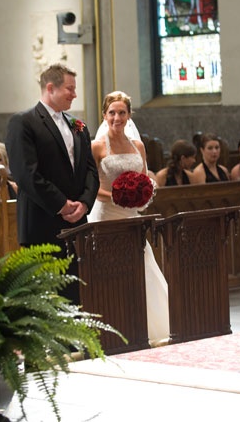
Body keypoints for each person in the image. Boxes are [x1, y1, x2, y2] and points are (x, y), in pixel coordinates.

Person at [6, 64, 99, 305]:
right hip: (42, 223)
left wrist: (84, 203)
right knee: (47, 299)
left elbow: (90, 170)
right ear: (50, 88)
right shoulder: (23, 122)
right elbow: (26, 174)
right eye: (70, 89)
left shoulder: (78, 125)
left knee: (77, 295)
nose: (74, 94)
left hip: (76, 223)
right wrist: (61, 204)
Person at [87, 91, 170, 345]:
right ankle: (111, 326)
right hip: (105, 215)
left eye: (122, 112)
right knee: (108, 270)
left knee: (139, 268)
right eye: (112, 112)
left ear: (129, 115)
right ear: (104, 115)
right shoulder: (96, 147)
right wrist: (117, 197)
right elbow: (90, 187)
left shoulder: (138, 146)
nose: (117, 118)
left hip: (131, 216)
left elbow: (145, 180)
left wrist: (139, 195)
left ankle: (142, 326)